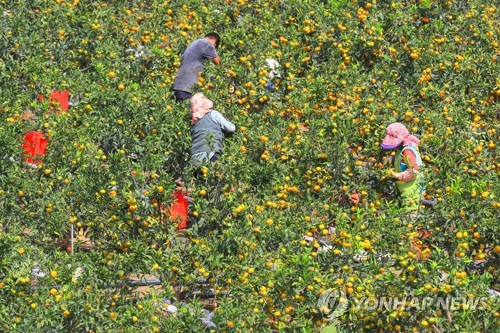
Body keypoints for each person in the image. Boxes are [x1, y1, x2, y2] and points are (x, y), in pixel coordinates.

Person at [381, 122, 424, 216]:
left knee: (410, 218)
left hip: (413, 193)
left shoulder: (407, 152)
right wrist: (391, 158)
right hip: (405, 191)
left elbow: (414, 172)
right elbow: (403, 161)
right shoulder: (403, 148)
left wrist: (396, 175)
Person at [172, 33, 221, 101]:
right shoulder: (207, 44)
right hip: (187, 87)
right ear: (214, 41)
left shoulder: (194, 43)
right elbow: (218, 63)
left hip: (178, 85)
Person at [189, 93, 235, 166]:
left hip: (194, 157)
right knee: (215, 174)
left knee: (200, 176)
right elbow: (230, 128)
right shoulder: (213, 114)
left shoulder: (193, 123)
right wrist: (235, 126)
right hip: (210, 154)